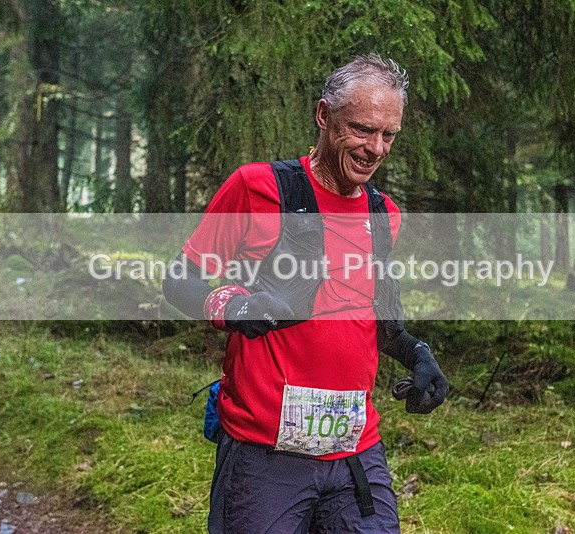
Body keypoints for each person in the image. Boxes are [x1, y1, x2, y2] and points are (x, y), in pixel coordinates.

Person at [163, 53, 448, 534]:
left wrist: (417, 353)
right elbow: (178, 280)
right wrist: (234, 307)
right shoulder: (256, 188)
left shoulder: (384, 215)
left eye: (388, 135)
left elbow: (374, 320)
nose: (375, 148)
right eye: (361, 129)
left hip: (355, 451)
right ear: (323, 116)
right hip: (264, 456)